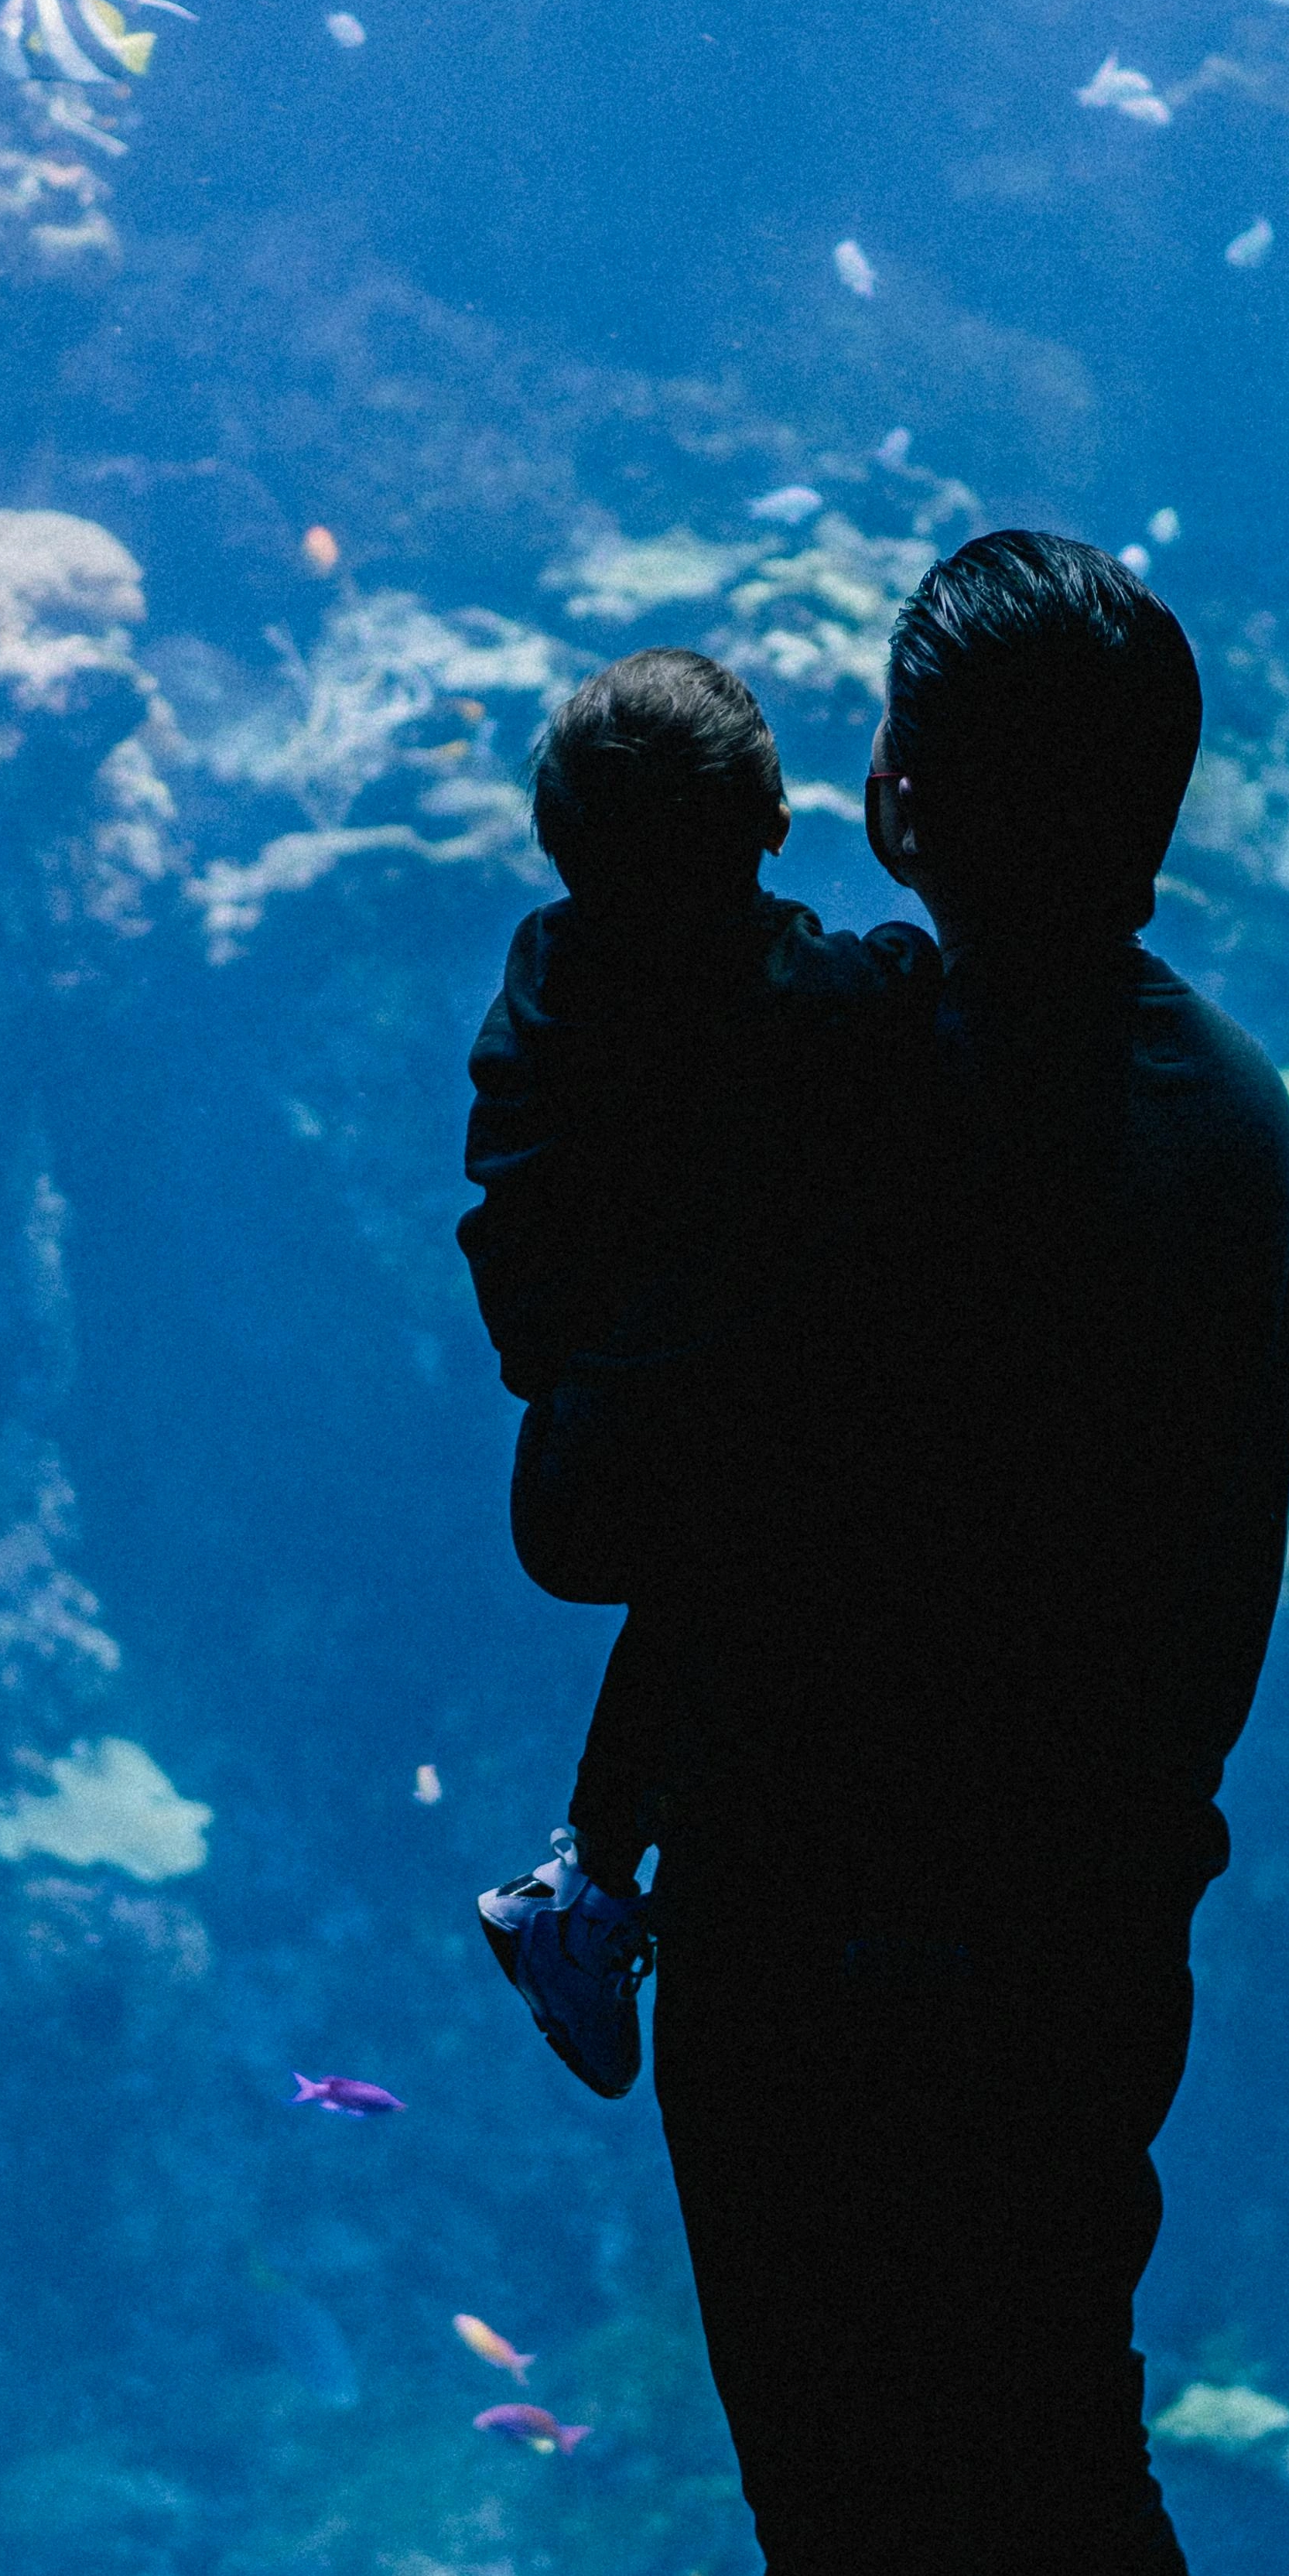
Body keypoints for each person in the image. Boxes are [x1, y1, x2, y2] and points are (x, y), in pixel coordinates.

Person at [648, 532, 1289, 2576]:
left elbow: (610, 1500)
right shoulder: (1240, 1122)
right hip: (1097, 1926)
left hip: (830, 1936)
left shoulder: (857, 1091)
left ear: (902, 798)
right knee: (1066, 2473)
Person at [457, 645, 936, 2099]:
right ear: (775, 820)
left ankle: (585, 1886)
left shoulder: (547, 973)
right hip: (713, 1473)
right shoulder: (817, 1003)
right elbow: (913, 980)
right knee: (749, 1537)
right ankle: (586, 1890)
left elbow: (510, 1222)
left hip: (576, 1456)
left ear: (557, 836)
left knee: (707, 1561)